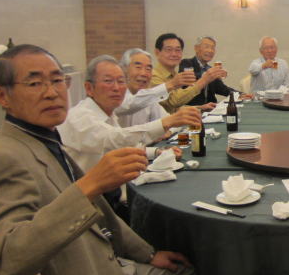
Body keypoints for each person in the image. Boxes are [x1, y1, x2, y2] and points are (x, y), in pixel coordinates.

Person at [0, 44, 240, 275]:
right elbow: (8, 257)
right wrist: (88, 186)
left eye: (57, 81)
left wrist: (148, 254)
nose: (52, 92)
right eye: (34, 83)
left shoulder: (43, 139)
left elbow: (102, 214)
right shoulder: (5, 154)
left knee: (190, 268)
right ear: (1, 95)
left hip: (102, 266)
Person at [58, 55, 201, 173]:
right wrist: (166, 122)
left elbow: (122, 148)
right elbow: (115, 140)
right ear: (89, 88)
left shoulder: (110, 113)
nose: (116, 88)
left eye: (121, 81)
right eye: (108, 81)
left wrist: (157, 151)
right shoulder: (79, 116)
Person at [150, 33, 220, 113]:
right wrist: (204, 80)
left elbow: (175, 108)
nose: (174, 54)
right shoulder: (153, 76)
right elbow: (174, 101)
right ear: (157, 52)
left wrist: (200, 108)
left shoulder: (174, 75)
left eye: (178, 50)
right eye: (169, 50)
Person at [116, 48, 172, 128]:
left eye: (148, 69)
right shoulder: (115, 94)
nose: (144, 73)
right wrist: (170, 85)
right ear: (124, 70)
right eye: (138, 67)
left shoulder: (148, 98)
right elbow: (130, 104)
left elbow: (168, 122)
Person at [179, 36, 241, 105]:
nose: (210, 51)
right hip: (193, 108)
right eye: (206, 47)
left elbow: (223, 89)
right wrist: (208, 75)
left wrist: (240, 94)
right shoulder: (186, 63)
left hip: (211, 108)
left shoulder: (210, 69)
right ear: (196, 48)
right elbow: (190, 79)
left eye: (213, 48)